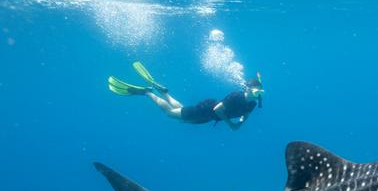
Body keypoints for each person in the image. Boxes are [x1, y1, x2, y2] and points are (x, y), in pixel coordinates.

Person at [108, 62, 264, 130]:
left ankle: (163, 91)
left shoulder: (253, 103)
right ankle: (148, 92)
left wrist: (241, 123)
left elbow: (245, 115)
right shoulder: (236, 95)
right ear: (247, 89)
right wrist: (231, 124)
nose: (258, 95)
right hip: (206, 110)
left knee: (181, 110)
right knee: (170, 113)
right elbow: (218, 109)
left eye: (260, 92)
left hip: (208, 116)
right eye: (256, 92)